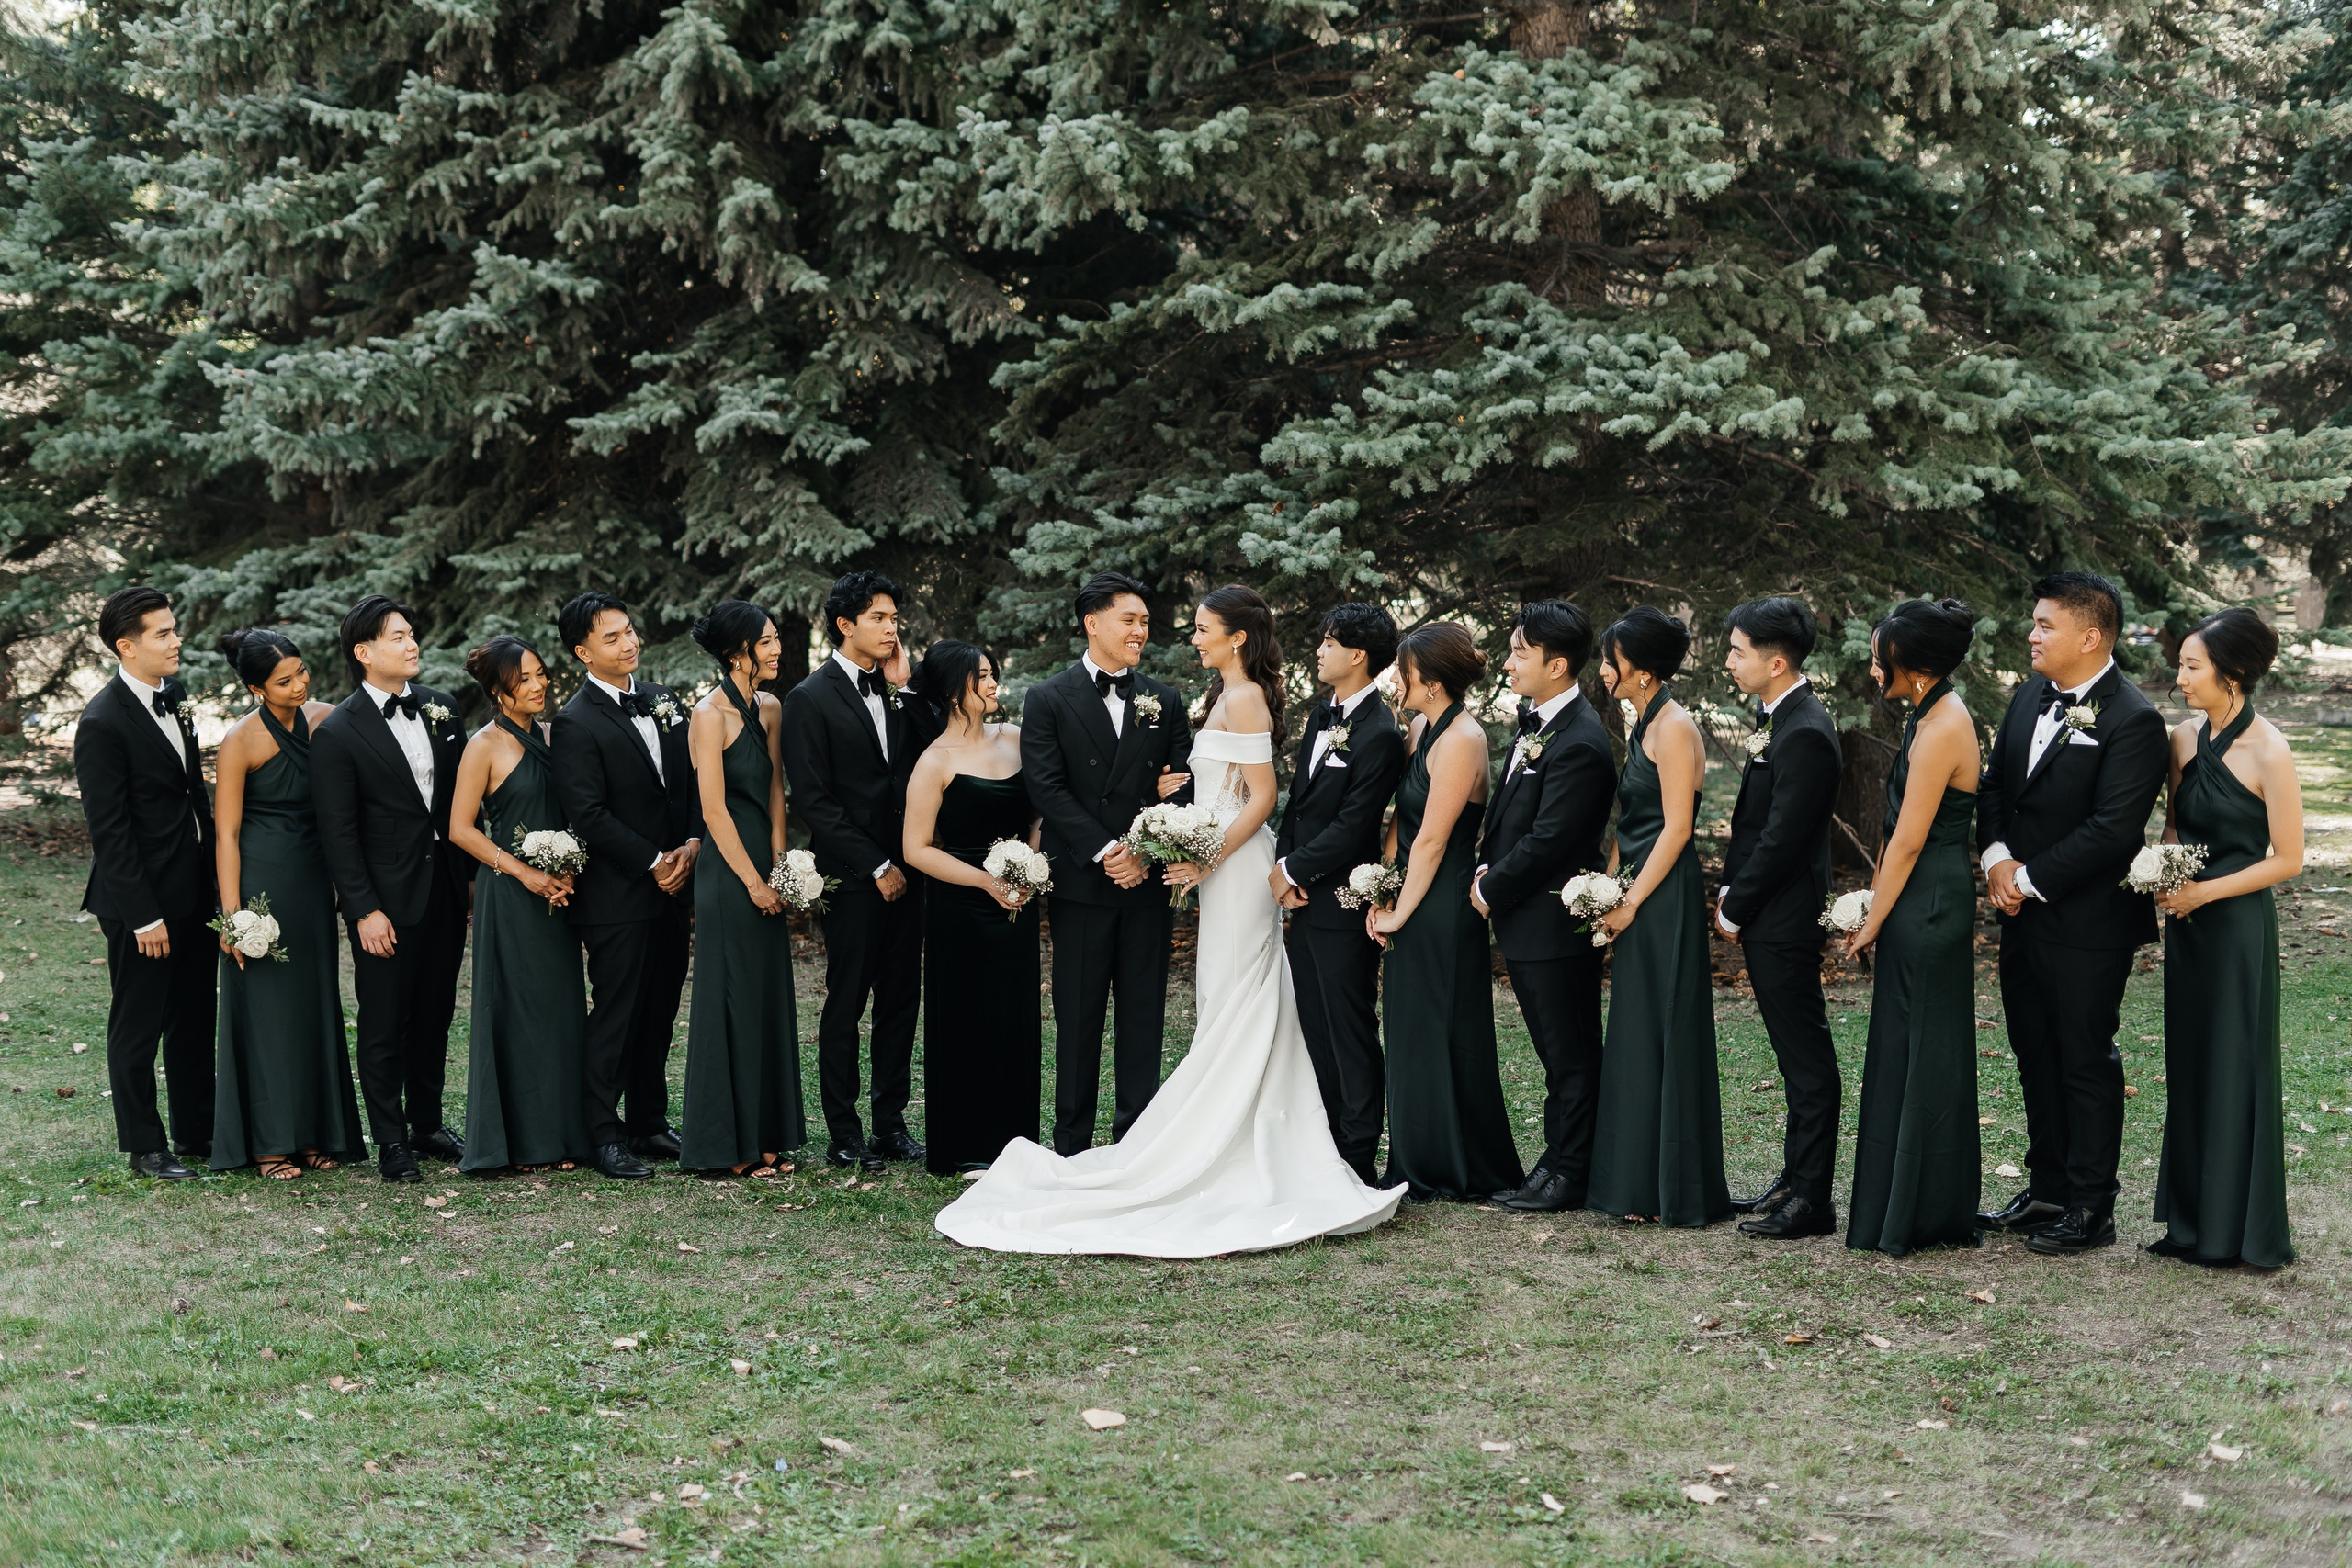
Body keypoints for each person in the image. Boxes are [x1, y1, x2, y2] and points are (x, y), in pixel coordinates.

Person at [936, 585, 1403, 1255]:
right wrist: (1154, 817)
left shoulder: (1218, 697)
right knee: (1213, 999)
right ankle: (1165, 1132)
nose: (1183, 636)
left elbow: (1260, 792)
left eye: (1200, 627)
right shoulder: (1190, 696)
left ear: (1236, 637)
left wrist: (1201, 855)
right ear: (1092, 624)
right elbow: (1170, 779)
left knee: (1230, 998)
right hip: (1163, 870)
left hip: (1227, 869)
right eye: (1138, 620)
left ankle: (1229, 1136)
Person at [1975, 571, 2169, 1255]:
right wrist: (1997, 856)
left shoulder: (2135, 718)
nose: (2031, 634)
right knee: (2034, 1053)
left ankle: (2092, 1206)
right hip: (2021, 914)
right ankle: (2049, 1186)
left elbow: (2114, 830)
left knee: (2084, 1058)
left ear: (2089, 636)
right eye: (2034, 622)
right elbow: (1996, 780)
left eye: (2045, 624)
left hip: (2088, 923)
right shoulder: (2029, 693)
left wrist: (2026, 878)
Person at [1017, 572, 1195, 1154]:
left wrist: (1143, 851)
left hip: (1145, 885)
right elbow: (1047, 788)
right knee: (1078, 1016)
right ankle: (1070, 1141)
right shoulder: (1047, 697)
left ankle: (1135, 1143)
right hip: (1083, 882)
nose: (1140, 630)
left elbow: (1181, 787)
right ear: (1092, 623)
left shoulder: (1164, 699)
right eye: (1129, 620)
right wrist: (1107, 851)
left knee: (1142, 1018)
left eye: (1145, 621)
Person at [2150, 608, 2301, 1269]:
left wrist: (2204, 891)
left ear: (2232, 672)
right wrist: (2163, 867)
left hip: (2236, 928)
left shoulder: (2271, 749)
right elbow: (2178, 826)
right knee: (2189, 1062)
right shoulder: (2182, 741)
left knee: (2234, 1064)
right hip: (2186, 925)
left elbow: (2288, 858)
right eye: (2181, 664)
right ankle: (2189, 1222)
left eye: (2192, 665)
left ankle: (2233, 1230)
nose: (2179, 677)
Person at [306, 596, 471, 1184]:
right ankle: (391, 1139)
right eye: (398, 637)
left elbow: (456, 804)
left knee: (435, 1014)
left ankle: (427, 1123)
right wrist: (365, 911)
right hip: (385, 903)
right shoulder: (339, 732)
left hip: (446, 891)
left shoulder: (443, 709)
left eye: (411, 633)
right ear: (365, 653)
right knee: (383, 1024)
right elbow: (338, 834)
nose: (412, 644)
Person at [778, 571, 938, 1172]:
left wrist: (905, 690)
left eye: (895, 616)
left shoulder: (898, 690)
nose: (891, 626)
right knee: (847, 1003)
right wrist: (875, 864)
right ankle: (844, 1134)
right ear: (845, 624)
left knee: (900, 1000)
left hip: (911, 868)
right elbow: (814, 801)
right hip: (851, 876)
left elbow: (931, 756)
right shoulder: (808, 698)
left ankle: (891, 1125)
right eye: (878, 616)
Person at [1841, 601, 1984, 1255]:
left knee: (1923, 1042)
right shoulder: (1928, 713)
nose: (1874, 668)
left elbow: (1905, 842)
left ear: (1916, 665)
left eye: (1882, 657)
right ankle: (1906, 1198)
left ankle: (1917, 1210)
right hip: (1921, 891)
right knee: (1905, 1040)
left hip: (1929, 900)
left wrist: (1871, 918)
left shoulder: (1944, 725)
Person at [1370, 623, 1524, 1202]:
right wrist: (1383, 889)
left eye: (1404, 671)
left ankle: (1455, 1164)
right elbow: (1401, 824)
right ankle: (1415, 1155)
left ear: (1430, 682)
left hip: (1443, 902)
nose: (1395, 678)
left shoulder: (1463, 738)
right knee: (1410, 1029)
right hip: (1412, 892)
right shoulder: (1421, 727)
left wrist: (1398, 915)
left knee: (1443, 1028)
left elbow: (1433, 840)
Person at [550, 591, 702, 1180]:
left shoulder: (663, 700)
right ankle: (602, 1134)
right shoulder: (574, 721)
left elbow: (687, 782)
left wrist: (689, 845)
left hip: (675, 884)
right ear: (583, 652)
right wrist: (652, 861)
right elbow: (587, 814)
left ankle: (648, 1120)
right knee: (616, 1013)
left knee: (661, 1009)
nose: (628, 642)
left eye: (629, 631)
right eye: (610, 637)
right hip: (618, 894)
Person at [1587, 607, 1730, 1226]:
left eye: (1611, 660)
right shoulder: (1644, 717)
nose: (1603, 669)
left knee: (1664, 1025)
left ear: (1640, 670)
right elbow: (1634, 821)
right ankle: (1635, 1180)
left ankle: (1669, 1185)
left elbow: (1677, 828)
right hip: (1637, 885)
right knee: (1637, 1031)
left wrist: (1631, 899)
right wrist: (1606, 886)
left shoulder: (1674, 727)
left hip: (1664, 893)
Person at [1473, 601, 1616, 1213]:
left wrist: (1489, 886)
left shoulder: (1580, 739)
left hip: (1553, 922)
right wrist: (1486, 862)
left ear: (1558, 664)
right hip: (1526, 919)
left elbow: (1551, 839)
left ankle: (1571, 1172)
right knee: (1557, 1053)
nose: (1508, 663)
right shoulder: (1536, 724)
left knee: (1571, 1054)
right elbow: (1513, 818)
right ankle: (1555, 1163)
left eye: (1520, 653)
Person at [209, 629, 363, 1179]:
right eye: (283, 680)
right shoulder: (240, 741)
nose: (299, 685)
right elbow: (225, 834)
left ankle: (318, 1131)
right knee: (269, 1012)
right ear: (255, 688)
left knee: (315, 1005)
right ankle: (271, 1142)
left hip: (314, 881)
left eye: (301, 673)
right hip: (262, 885)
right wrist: (233, 917)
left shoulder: (324, 718)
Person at [74, 587, 216, 1179]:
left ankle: (197, 1131)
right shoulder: (101, 722)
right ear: (126, 647)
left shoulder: (175, 696)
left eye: (174, 628)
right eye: (163, 633)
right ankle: (144, 1144)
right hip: (140, 901)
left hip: (192, 888)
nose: (176, 639)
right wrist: (142, 916)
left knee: (192, 1015)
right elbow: (110, 832)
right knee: (139, 1022)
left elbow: (192, 795)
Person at [1713, 596, 1843, 1238]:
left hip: (1785, 916)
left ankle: (1812, 1200)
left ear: (1777, 660)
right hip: (1772, 912)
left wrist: (1736, 905)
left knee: (1807, 1058)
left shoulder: (1807, 730)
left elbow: (1784, 838)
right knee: (1794, 1056)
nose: (1729, 660)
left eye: (1738, 650)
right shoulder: (1780, 717)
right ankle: (1796, 1177)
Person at [1270, 602, 1408, 1187]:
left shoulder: (1379, 732)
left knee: (1349, 1026)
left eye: (1329, 643)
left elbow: (1355, 824)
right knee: (1315, 1025)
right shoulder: (1322, 717)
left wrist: (1294, 870)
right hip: (1304, 901)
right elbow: (1301, 806)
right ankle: (1324, 1143)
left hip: (1342, 903)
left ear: (1358, 655)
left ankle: (1357, 1150)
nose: (1319, 651)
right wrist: (1287, 869)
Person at [447, 636, 592, 1175]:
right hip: (510, 896)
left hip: (560, 892)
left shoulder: (555, 736)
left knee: (559, 1011)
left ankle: (562, 1135)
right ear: (496, 692)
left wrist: (567, 865)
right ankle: (523, 1143)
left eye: (540, 674)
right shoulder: (483, 746)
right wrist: (528, 873)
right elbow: (460, 829)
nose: (538, 686)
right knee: (520, 1012)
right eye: (522, 680)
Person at [899, 642, 1043, 1175]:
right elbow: (916, 849)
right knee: (966, 1022)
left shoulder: (1018, 739)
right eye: (980, 676)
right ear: (951, 689)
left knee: (1015, 1019)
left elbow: (1039, 813)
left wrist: (1029, 861)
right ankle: (965, 1147)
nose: (992, 684)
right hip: (961, 908)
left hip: (1017, 899)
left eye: (993, 674)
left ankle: (1016, 1144)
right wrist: (985, 881)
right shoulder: (934, 761)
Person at [678, 602, 803, 1176]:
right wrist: (753, 882)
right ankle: (730, 1145)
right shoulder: (709, 715)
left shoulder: (771, 707)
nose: (777, 649)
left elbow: (775, 788)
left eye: (777, 639)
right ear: (737, 653)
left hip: (764, 865)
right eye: (767, 641)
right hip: (728, 876)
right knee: (732, 1000)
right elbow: (713, 810)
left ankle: (769, 1133)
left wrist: (780, 866)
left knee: (767, 997)